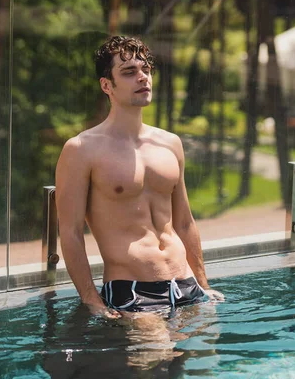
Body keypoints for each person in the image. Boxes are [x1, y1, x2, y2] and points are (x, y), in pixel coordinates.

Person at [55, 35, 224, 318]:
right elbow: (70, 232)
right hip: (132, 291)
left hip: (186, 285)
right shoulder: (82, 150)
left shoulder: (170, 143)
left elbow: (184, 222)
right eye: (129, 72)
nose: (142, 78)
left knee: (205, 360)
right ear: (106, 85)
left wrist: (203, 284)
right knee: (154, 354)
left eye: (145, 70)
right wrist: (92, 300)